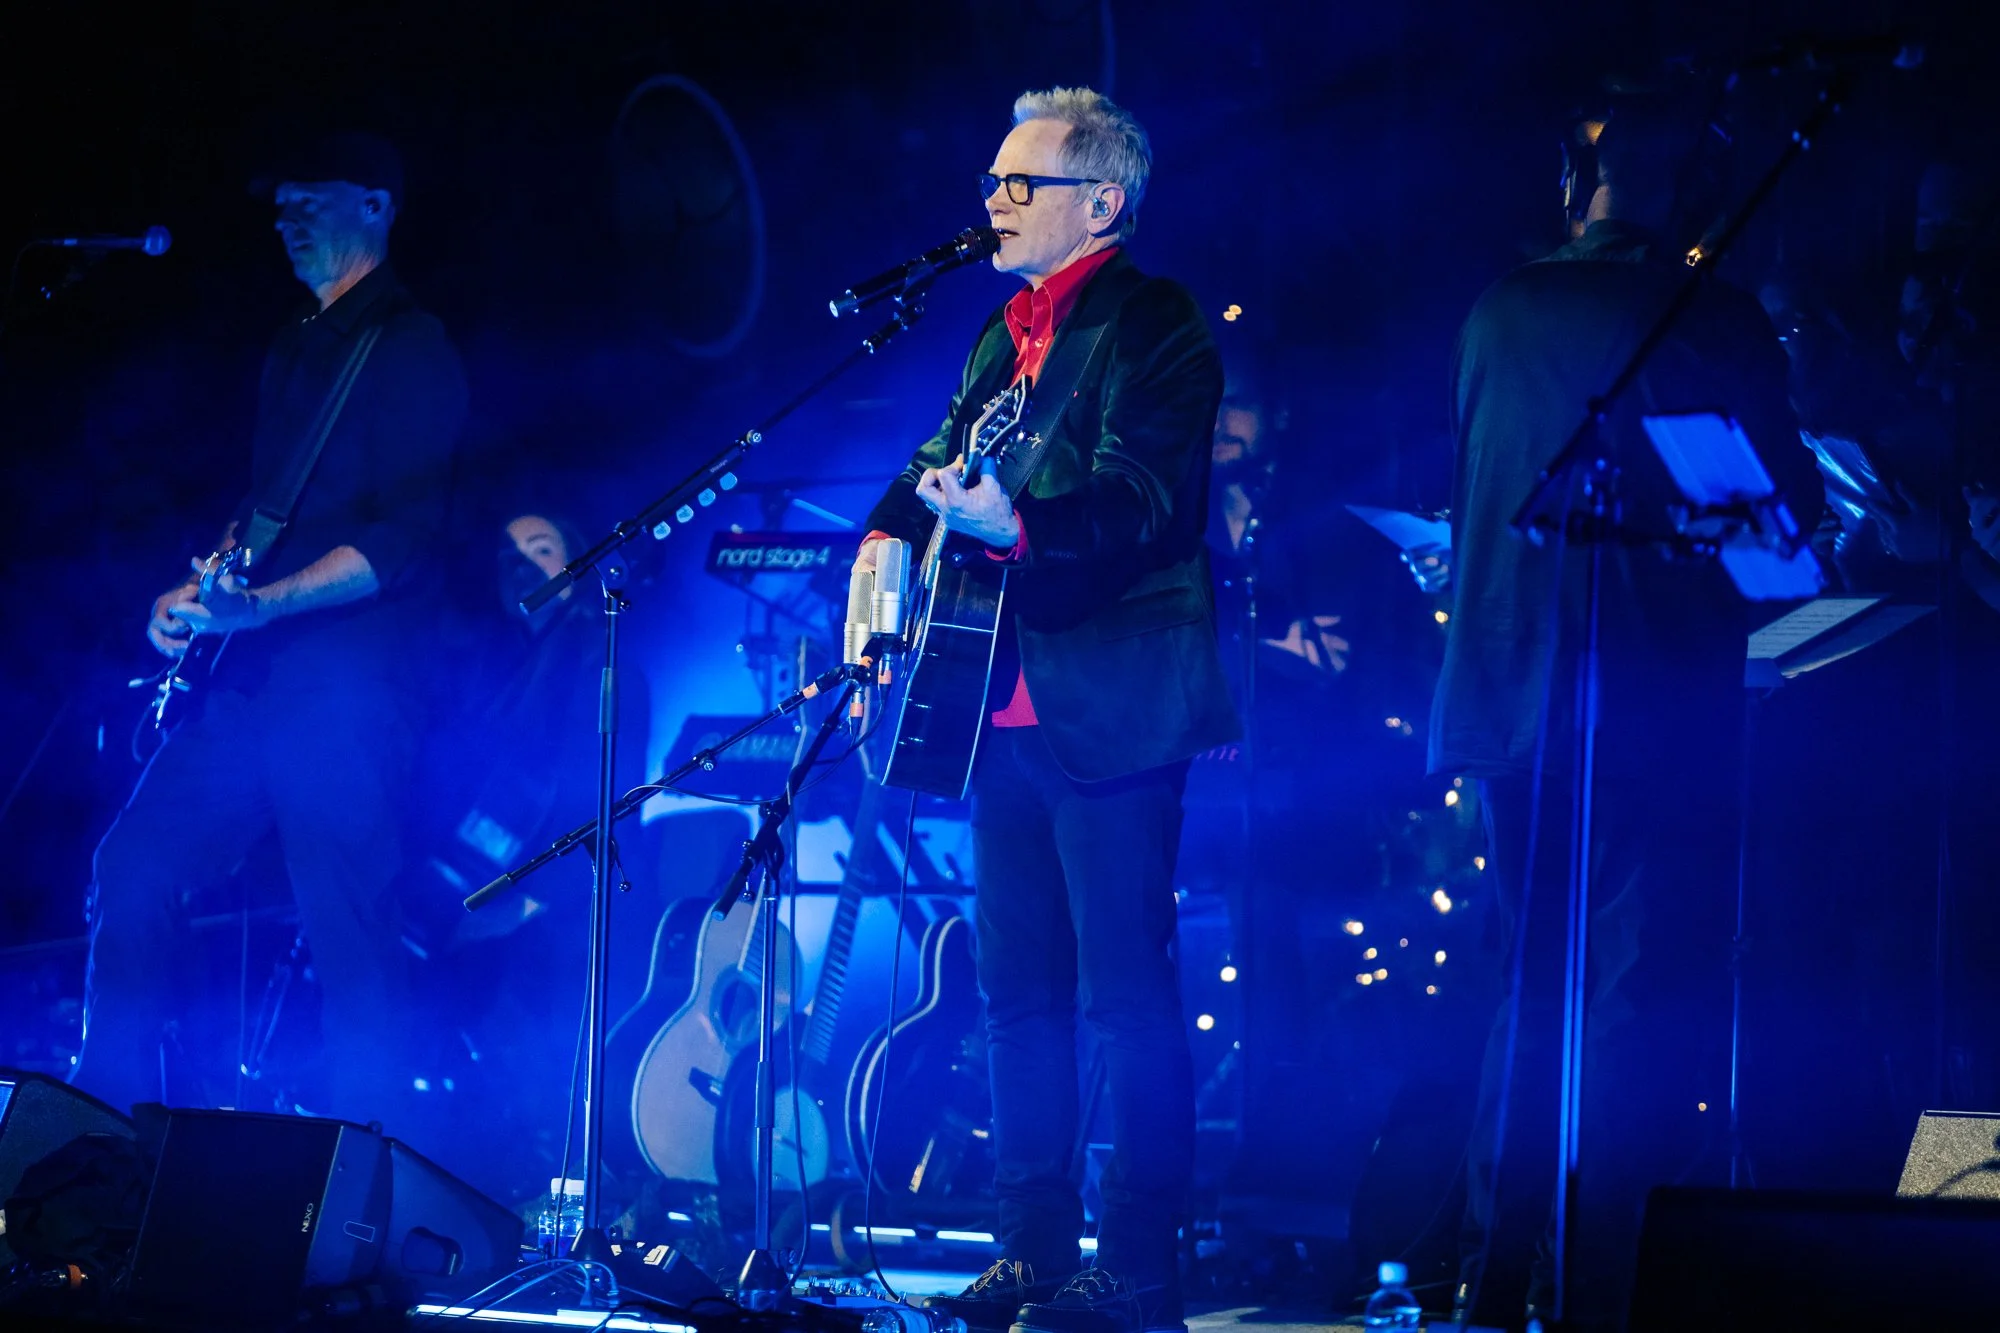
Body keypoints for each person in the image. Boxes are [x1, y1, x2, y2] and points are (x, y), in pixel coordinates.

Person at [1428, 96, 1822, 1331]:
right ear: (1691, 196)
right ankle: (1597, 1284)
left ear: (1574, 183)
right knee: (1629, 996)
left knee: (1527, 987)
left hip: (1504, 700)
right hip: (1649, 708)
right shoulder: (1711, 317)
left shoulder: (1496, 310)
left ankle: (1491, 1278)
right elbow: (1782, 528)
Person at [855, 87, 1238, 1333]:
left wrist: (1011, 522)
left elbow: (1143, 501)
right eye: (989, 181)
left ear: (1101, 202)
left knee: (1124, 996)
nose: (993, 202)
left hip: (1109, 710)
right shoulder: (1000, 333)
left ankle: (1135, 1268)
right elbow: (934, 459)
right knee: (1013, 997)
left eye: (1019, 184)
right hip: (997, 712)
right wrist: (881, 538)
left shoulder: (1151, 319)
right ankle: (1028, 1249)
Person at [72, 132, 468, 1126]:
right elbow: (268, 509)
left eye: (309, 200)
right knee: (132, 866)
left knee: (349, 934)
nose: (286, 220)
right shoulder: (294, 343)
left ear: (375, 204)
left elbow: (400, 540)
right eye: (280, 204)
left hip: (349, 687)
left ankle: (368, 1171)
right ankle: (103, 1138)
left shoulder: (414, 347)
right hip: (253, 682)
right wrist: (202, 586)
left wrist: (258, 608)